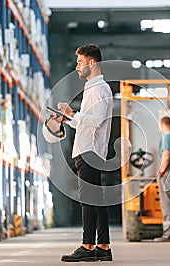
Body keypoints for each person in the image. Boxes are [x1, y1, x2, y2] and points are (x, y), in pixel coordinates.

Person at [53, 44, 113, 262]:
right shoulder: (93, 88)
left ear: (92, 63)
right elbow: (86, 122)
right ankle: (103, 247)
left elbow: (94, 121)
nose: (77, 66)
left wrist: (72, 114)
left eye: (80, 62)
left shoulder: (98, 89)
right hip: (89, 149)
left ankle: (87, 246)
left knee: (88, 200)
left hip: (89, 151)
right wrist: (69, 117)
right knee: (96, 200)